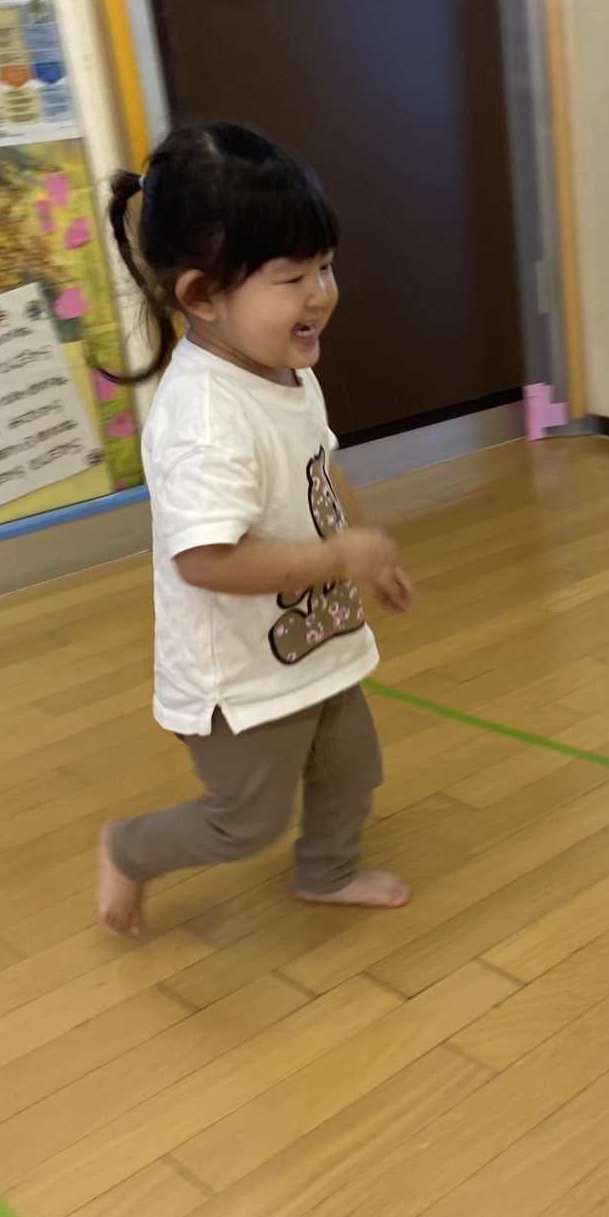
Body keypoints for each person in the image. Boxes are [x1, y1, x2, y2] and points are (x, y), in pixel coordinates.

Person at [95, 123, 413, 936]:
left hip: (312, 637)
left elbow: (320, 464)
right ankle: (129, 849)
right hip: (236, 675)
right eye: (292, 277)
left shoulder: (285, 369)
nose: (321, 294)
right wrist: (336, 555)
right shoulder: (204, 418)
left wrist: (365, 550)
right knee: (246, 820)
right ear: (204, 295)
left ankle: (327, 872)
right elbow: (206, 560)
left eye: (325, 267)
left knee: (352, 769)